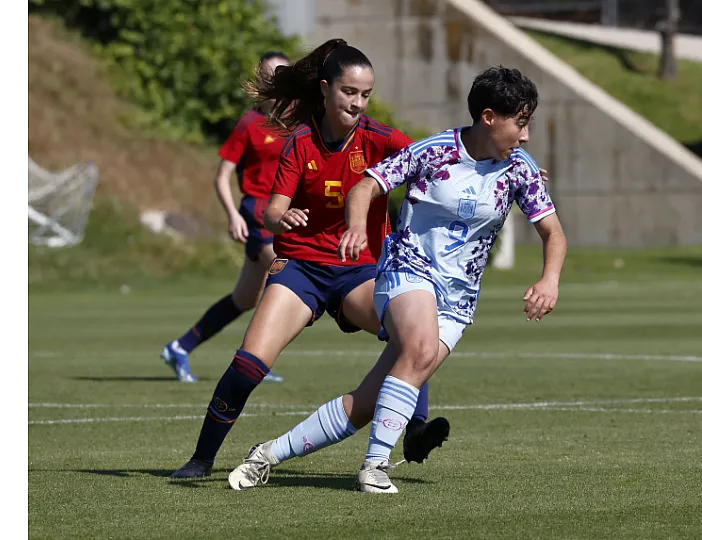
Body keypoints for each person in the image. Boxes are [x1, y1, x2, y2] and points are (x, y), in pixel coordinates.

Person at [224, 65, 567, 494]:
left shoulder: (520, 168)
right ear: (488, 117)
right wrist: (355, 228)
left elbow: (553, 233)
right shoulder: (434, 151)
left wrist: (549, 279)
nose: (526, 136)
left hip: (458, 299)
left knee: (368, 402)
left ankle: (267, 454)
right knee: (420, 349)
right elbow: (364, 187)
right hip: (408, 269)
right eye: (521, 122)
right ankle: (374, 467)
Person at [170, 39, 451, 479]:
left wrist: (505, 169)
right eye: (349, 92)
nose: (357, 103)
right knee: (249, 363)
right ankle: (201, 459)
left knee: (412, 336)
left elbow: (440, 162)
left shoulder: (380, 138)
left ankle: (415, 429)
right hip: (301, 269)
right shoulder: (300, 142)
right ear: (325, 89)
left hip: (360, 272)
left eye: (365, 95)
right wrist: (283, 218)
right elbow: (272, 212)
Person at [160, 51, 289, 384]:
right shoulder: (250, 123)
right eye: (270, 75)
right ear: (259, 80)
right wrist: (233, 215)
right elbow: (222, 177)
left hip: (281, 215)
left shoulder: (295, 122)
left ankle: (180, 347)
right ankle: (254, 360)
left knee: (245, 299)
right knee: (288, 277)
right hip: (257, 214)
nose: (276, 82)